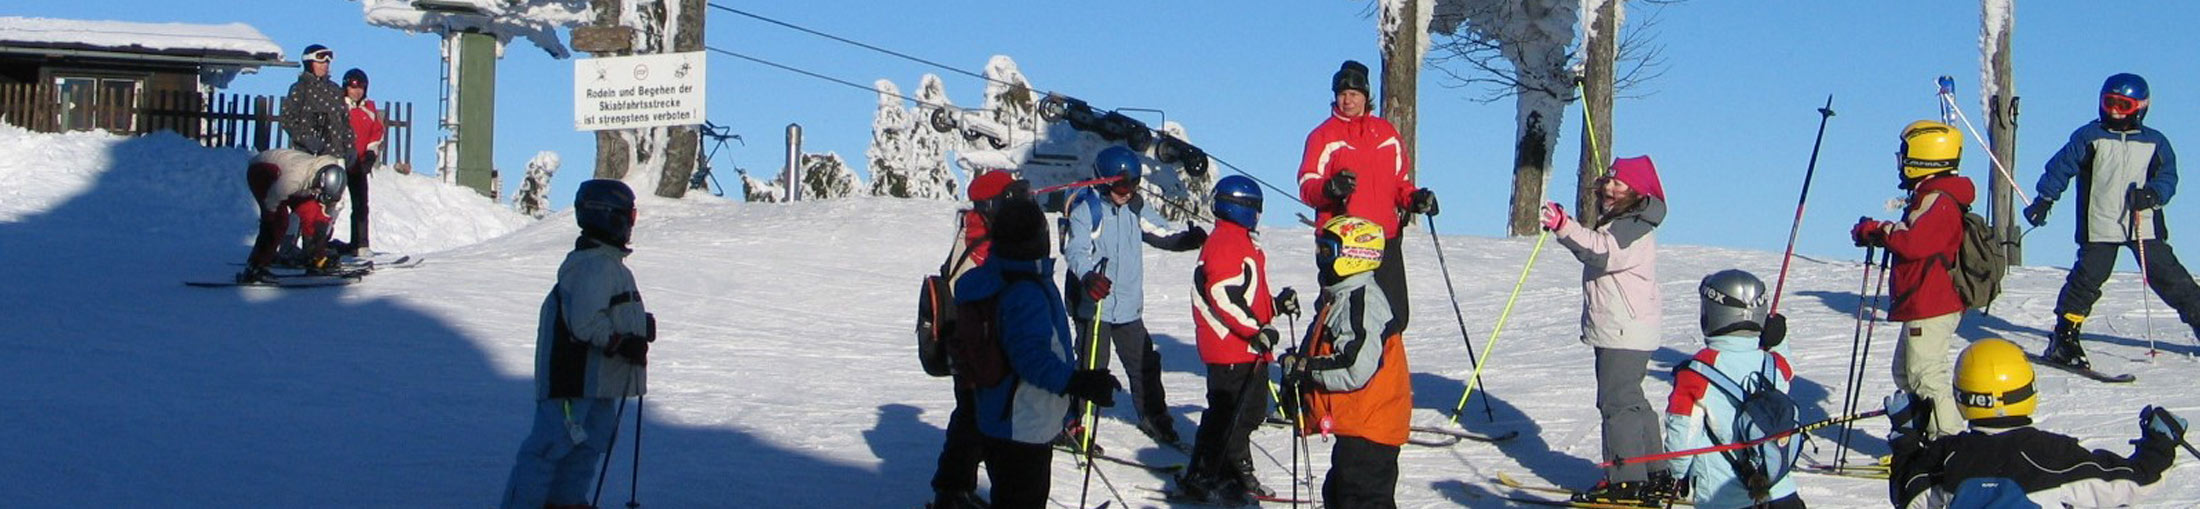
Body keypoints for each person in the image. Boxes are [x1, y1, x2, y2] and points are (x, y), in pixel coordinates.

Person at [2021, 72, 2200, 369]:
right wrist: (2044, 200)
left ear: (2141, 107)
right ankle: (2064, 337)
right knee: (2087, 280)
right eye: (2109, 102)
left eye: (2123, 104)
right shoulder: (2090, 136)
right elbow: (2061, 167)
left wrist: (2153, 195)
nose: (2115, 110)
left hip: (2143, 224)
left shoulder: (2155, 142)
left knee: (2172, 278)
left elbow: (2168, 177)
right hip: (2100, 224)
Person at [499, 179, 653, 509]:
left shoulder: (607, 263)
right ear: (609, 217)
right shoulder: (591, 265)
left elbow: (606, 310)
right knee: (552, 444)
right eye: (629, 216)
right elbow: (585, 322)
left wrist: (639, 325)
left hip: (598, 380)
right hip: (573, 378)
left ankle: (566, 501)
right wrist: (622, 341)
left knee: (590, 444)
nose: (631, 225)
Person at [1887, 338, 2185, 508]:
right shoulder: (2054, 455)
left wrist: (1906, 436)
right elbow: (2136, 481)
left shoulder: (1945, 456)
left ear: (1961, 397)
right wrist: (2160, 440)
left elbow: (1907, 494)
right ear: (2029, 391)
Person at [961, 196, 1122, 509]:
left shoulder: (997, 276)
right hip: (1022, 423)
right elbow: (1031, 359)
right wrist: (1078, 383)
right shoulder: (1024, 291)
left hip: (1001, 415)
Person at [1540, 155, 1673, 502]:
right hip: (1625, 327)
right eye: (1609, 182)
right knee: (1631, 398)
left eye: (1620, 183)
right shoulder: (1628, 220)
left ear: (1638, 190)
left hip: (1624, 328)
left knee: (1616, 402)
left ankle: (1627, 479)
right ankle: (1653, 470)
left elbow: (1600, 252)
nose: (1611, 188)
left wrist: (1563, 226)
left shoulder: (1632, 224)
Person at [1059, 145, 1207, 449]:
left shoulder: (1135, 207)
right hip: (1094, 303)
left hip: (1126, 305)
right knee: (1091, 367)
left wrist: (1185, 240)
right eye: (1123, 185)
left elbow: (1159, 231)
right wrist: (1088, 276)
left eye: (1135, 184)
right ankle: (1077, 422)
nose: (1128, 192)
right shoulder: (1088, 210)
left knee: (1145, 364)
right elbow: (1076, 250)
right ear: (1104, 181)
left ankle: (1154, 416)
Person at [1294, 59, 1438, 337]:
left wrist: (1417, 199)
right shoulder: (1323, 136)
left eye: (1354, 94)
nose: (1348, 100)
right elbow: (1307, 184)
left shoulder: (1386, 134)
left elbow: (1400, 184)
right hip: (1343, 243)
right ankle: (1327, 373)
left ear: (1365, 96)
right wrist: (1329, 189)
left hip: (1385, 239)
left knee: (1394, 318)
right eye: (1342, 94)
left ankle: (1385, 378)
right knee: (1345, 318)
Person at [1852, 121, 1976, 440]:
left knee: (1925, 375)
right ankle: (1923, 440)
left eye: (1904, 154)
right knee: (1905, 372)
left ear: (1923, 155)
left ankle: (1949, 446)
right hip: (1922, 300)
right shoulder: (1930, 196)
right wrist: (1881, 233)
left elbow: (1914, 243)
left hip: (1932, 300)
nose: (1900, 162)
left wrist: (1880, 230)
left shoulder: (1939, 198)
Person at [1279, 215, 1412, 509]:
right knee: (1339, 492)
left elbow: (1355, 368)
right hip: (1357, 422)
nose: (1319, 258)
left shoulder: (1361, 302)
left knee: (1360, 497)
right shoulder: (1343, 297)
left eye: (1326, 251)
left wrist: (1306, 369)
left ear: (1352, 257)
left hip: (1371, 426)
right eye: (1319, 250)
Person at [1180, 175, 1298, 504]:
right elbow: (1222, 296)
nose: (1259, 215)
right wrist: (1255, 330)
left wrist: (1275, 305)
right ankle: (1227, 475)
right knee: (1235, 414)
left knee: (1238, 413)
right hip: (1231, 347)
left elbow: (1245, 297)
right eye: (1255, 208)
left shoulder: (1237, 240)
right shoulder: (1228, 243)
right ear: (1241, 208)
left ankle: (1209, 472)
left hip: (1242, 346)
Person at [1663, 270, 1805, 509]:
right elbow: (1786, 366)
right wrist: (1779, 337)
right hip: (1783, 493)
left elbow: (1683, 434)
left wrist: (1678, 474)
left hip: (1724, 498)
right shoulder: (1773, 363)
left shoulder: (1695, 373)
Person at [926, 170, 1021, 509]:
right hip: (975, 352)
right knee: (975, 422)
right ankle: (951, 492)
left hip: (978, 350)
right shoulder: (981, 246)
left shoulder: (984, 235)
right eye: (1013, 197)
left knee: (974, 420)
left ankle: (954, 489)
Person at [236, 148, 348, 283]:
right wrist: (269, 222)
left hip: (289, 175)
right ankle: (255, 267)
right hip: (262, 172)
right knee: (279, 221)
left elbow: (321, 211)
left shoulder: (329, 173)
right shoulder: (294, 179)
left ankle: (316, 259)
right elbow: (272, 200)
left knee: (315, 216)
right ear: (322, 181)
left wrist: (321, 235)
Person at [338, 67, 385, 256]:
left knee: (361, 204)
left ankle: (360, 244)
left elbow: (377, 132)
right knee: (332, 203)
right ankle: (319, 243)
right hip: (340, 162)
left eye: (361, 88)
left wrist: (371, 154)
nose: (357, 92)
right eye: (352, 87)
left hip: (359, 164)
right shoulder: (339, 107)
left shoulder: (369, 109)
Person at [281, 44, 354, 163]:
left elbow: (345, 122)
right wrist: (305, 139)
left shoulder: (335, 90)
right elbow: (287, 119)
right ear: (309, 64)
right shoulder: (300, 88)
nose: (325, 66)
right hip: (308, 156)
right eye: (320, 62)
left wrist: (350, 147)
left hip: (336, 156)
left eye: (327, 63)